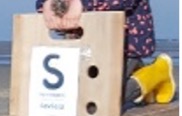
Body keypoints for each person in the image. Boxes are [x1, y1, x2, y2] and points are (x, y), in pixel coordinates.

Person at [35, 0, 175, 104]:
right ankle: (136, 75)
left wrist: (82, 4)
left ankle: (156, 72)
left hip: (123, 46)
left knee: (102, 101)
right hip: (82, 46)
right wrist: (49, 4)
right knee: (68, 98)